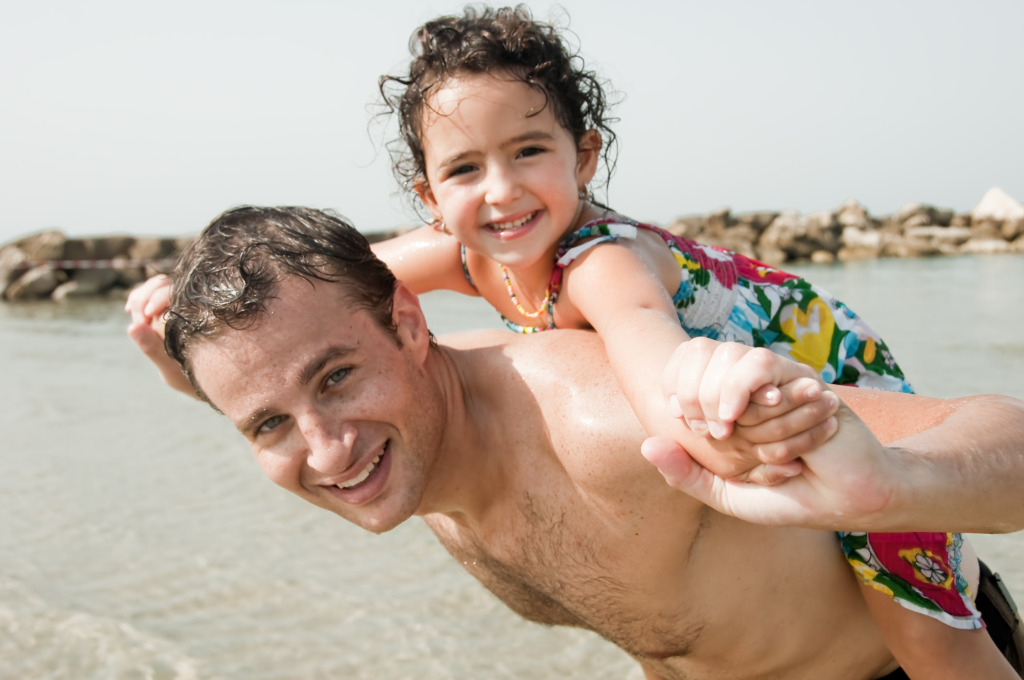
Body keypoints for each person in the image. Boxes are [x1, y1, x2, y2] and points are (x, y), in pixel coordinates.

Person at [370, 5, 995, 675]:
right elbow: (325, 283)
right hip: (759, 385)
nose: (501, 190)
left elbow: (653, 361)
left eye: (528, 150)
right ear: (429, 194)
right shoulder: (463, 252)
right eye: (464, 169)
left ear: (582, 155)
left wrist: (712, 442)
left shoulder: (600, 261)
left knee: (932, 639)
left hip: (835, 384)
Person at [151, 205, 1023, 679]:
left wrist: (888, 485)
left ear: (409, 327)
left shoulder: (608, 424)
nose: (327, 450)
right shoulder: (389, 450)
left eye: (336, 377)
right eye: (268, 424)